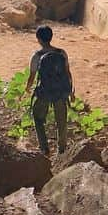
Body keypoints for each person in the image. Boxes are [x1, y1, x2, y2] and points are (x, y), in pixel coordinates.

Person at [26, 24, 74, 155]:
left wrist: (27, 89)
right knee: (62, 121)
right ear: (51, 37)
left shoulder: (37, 55)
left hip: (44, 92)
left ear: (38, 39)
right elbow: (67, 73)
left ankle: (44, 147)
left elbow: (32, 76)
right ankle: (62, 149)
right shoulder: (61, 53)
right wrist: (71, 91)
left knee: (37, 117)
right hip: (60, 91)